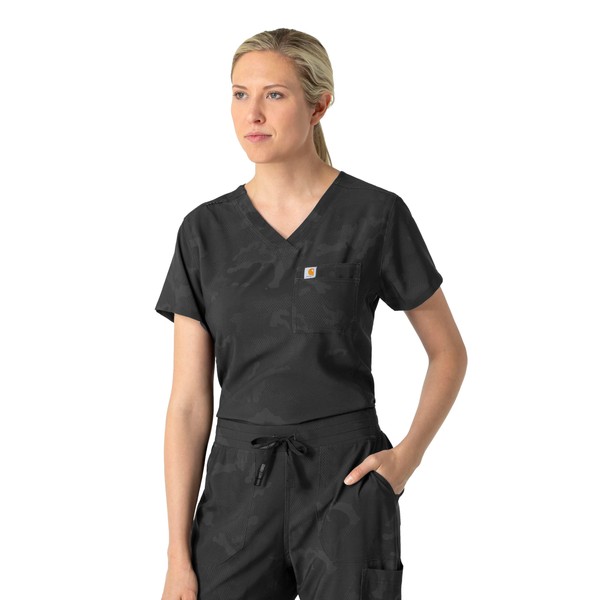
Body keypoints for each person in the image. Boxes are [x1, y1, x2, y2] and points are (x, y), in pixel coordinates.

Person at [156, 27, 467, 600]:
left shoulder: (374, 215)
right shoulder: (203, 232)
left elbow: (448, 352)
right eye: (239, 94)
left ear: (319, 105)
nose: (252, 113)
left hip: (346, 484)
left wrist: (406, 459)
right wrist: (178, 554)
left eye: (274, 95)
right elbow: (189, 404)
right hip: (236, 493)